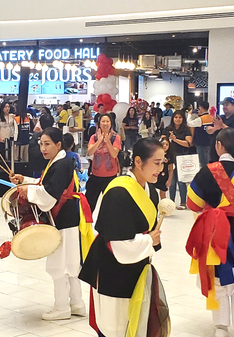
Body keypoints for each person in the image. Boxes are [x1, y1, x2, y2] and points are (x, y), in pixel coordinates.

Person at [79, 137, 170, 337]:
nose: (160, 169)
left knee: (138, 323)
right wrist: (149, 241)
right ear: (138, 162)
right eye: (156, 163)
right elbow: (118, 244)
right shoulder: (118, 192)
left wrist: (151, 240)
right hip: (114, 270)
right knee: (116, 327)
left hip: (139, 269)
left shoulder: (151, 192)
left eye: (162, 162)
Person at [186, 128, 234, 337]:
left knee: (218, 280)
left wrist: (207, 221)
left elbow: (192, 204)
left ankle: (220, 326)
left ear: (218, 146)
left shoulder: (205, 172)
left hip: (213, 233)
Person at [10, 127, 93, 321]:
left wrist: (27, 191)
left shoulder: (61, 164)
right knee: (70, 262)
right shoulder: (59, 161)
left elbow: (48, 195)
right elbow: (45, 184)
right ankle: (77, 303)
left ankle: (62, 307)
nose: (43, 148)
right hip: (69, 216)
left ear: (58, 144)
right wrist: (26, 182)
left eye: (47, 144)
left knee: (59, 264)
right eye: (41, 144)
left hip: (63, 217)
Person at [86, 113, 122, 212]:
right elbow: (90, 152)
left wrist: (107, 142)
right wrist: (99, 141)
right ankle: (86, 227)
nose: (105, 123)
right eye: (103, 121)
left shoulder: (116, 138)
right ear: (99, 123)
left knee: (109, 207)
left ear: (111, 123)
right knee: (89, 206)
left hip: (110, 177)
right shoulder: (94, 137)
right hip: (95, 176)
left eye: (107, 121)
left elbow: (114, 154)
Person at [162, 110, 193, 210]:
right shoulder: (168, 129)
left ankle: (183, 202)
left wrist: (175, 140)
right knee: (171, 180)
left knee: (181, 180)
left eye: (180, 117)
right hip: (170, 157)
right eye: (176, 117)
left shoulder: (186, 130)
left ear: (183, 119)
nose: (177, 119)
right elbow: (162, 141)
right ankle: (171, 201)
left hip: (182, 156)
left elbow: (189, 144)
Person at [208, 97, 234, 163]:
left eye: (227, 105)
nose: (224, 107)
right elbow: (208, 130)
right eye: (223, 105)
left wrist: (222, 125)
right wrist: (214, 128)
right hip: (215, 153)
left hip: (230, 154)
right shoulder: (220, 117)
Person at [187, 101, 214, 168]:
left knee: (202, 162)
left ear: (201, 108)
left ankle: (204, 175)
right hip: (209, 141)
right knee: (207, 159)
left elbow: (189, 123)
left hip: (201, 142)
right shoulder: (211, 117)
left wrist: (189, 114)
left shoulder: (201, 119)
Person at [0, 102, 17, 168]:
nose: (7, 109)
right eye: (5, 107)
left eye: (8, 107)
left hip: (10, 138)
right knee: (1, 154)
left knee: (9, 154)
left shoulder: (12, 116)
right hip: (1, 138)